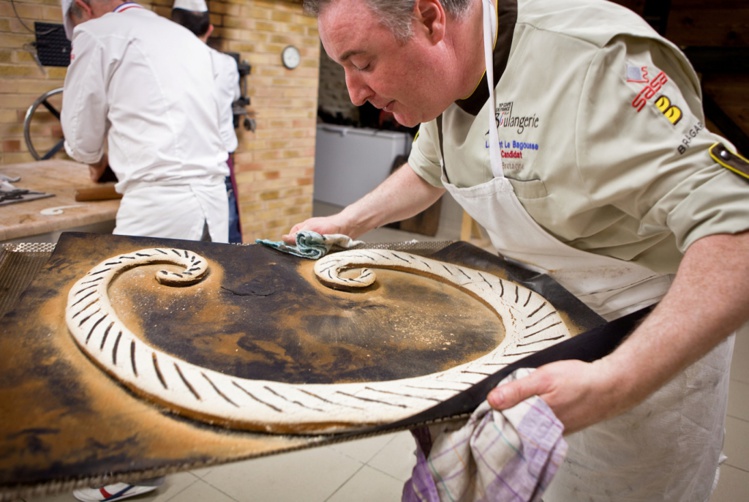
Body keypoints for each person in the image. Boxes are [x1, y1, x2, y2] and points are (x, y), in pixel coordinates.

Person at [286, 0, 749, 500]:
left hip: (643, 348)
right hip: (538, 324)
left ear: (429, 18)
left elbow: (738, 229)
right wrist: (345, 221)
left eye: (362, 63)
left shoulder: (594, 62)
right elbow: (427, 170)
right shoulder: (442, 86)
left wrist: (617, 382)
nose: (355, 93)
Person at [61, 0, 230, 244]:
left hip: (159, 206)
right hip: (213, 199)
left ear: (84, 8)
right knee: (205, 280)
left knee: (130, 282)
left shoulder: (96, 32)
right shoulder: (186, 38)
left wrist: (95, 161)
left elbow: (81, 138)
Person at [170, 0, 244, 243]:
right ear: (209, 29)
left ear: (173, 26)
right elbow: (233, 97)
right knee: (224, 241)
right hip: (218, 161)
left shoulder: (166, 62)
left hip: (179, 165)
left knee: (181, 244)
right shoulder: (226, 64)